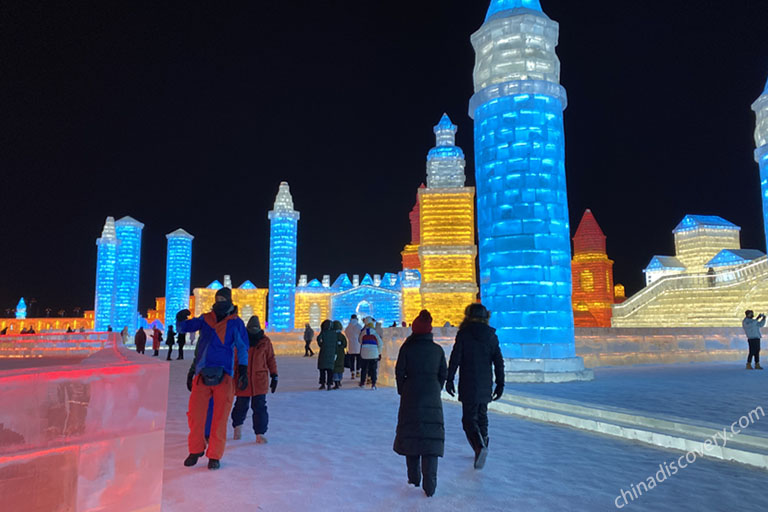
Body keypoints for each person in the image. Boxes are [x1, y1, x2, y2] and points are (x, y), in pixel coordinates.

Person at [178, 287, 249, 470]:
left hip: (224, 374)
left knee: (219, 417)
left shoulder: (236, 323)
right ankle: (195, 450)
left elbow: (242, 348)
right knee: (196, 415)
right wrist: (180, 319)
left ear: (229, 300)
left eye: (223, 298)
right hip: (202, 373)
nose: (220, 301)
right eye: (218, 298)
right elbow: (185, 328)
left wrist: (243, 370)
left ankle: (215, 455)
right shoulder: (206, 318)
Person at [393, 310, 447, 498]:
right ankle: (430, 486)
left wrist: (404, 390)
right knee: (431, 439)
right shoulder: (437, 350)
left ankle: (413, 480)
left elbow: (399, 372)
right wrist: (434, 388)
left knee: (411, 436)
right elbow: (443, 374)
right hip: (432, 396)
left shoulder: (407, 348)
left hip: (411, 396)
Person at [445, 303, 504, 470]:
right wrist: (500, 383)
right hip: (486, 381)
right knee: (482, 415)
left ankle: (479, 447)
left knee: (468, 419)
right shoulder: (491, 335)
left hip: (468, 381)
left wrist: (449, 379)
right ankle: (483, 443)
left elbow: (455, 358)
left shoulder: (464, 334)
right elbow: (498, 362)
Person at [232, 316, 278, 444]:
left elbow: (270, 359)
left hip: (259, 380)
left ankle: (260, 433)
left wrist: (274, 375)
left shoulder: (265, 342)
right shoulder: (241, 340)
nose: (254, 329)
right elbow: (235, 360)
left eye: (256, 327)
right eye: (251, 327)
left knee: (260, 407)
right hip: (243, 379)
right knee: (240, 405)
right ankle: (237, 427)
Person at [359, 317, 383, 390]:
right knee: (373, 369)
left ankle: (362, 383)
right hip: (374, 353)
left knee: (363, 369)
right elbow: (380, 343)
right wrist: (379, 352)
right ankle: (373, 384)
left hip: (364, 353)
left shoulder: (363, 332)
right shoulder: (375, 333)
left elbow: (360, 341)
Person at [316, 320, 337, 390]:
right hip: (332, 353)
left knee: (322, 369)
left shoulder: (324, 332)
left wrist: (321, 345)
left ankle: (322, 383)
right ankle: (329, 384)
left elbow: (318, 338)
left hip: (324, 352)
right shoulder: (334, 333)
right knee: (330, 370)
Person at [344, 314, 362, 380]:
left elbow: (346, 333)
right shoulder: (359, 326)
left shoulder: (348, 327)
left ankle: (352, 373)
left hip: (351, 345)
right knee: (358, 359)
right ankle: (358, 371)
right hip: (358, 345)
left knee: (351, 360)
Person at [332, 320, 347, 389]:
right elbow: (345, 345)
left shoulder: (333, 335)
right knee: (340, 366)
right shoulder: (342, 336)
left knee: (334, 367)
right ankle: (339, 380)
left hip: (334, 353)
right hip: (341, 353)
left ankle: (336, 382)